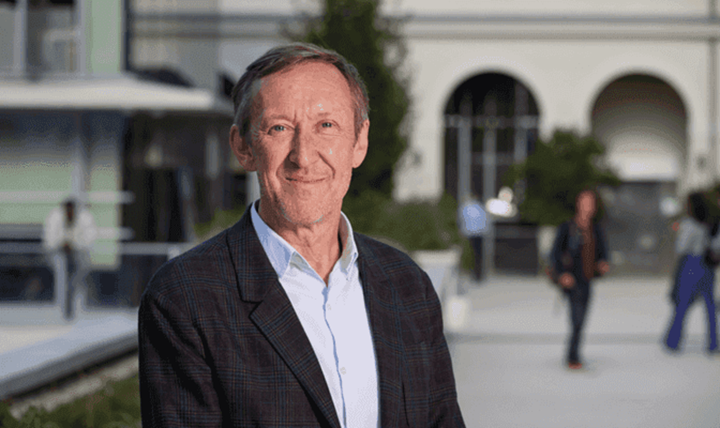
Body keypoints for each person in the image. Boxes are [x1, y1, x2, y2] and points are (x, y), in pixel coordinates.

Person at [138, 43, 465, 427]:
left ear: (359, 142)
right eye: (279, 128)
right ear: (243, 147)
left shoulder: (408, 287)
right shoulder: (184, 298)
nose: (303, 156)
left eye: (326, 126)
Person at [550, 188, 609, 370]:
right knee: (576, 318)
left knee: (582, 320)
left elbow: (603, 253)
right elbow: (555, 254)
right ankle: (573, 356)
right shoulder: (567, 228)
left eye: (591, 203)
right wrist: (562, 274)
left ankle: (574, 353)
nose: (588, 207)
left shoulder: (596, 229)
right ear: (578, 204)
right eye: (585, 202)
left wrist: (603, 264)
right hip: (572, 281)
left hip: (587, 279)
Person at [664, 192, 718, 354]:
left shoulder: (689, 224)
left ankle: (673, 340)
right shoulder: (710, 224)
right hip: (707, 266)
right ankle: (713, 343)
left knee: (682, 305)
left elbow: (681, 247)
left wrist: (678, 231)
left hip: (691, 264)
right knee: (709, 307)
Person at [43, 198, 97, 320]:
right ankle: (62, 308)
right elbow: (49, 241)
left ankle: (76, 305)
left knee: (77, 277)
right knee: (61, 276)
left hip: (79, 255)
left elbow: (89, 240)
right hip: (58, 254)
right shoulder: (55, 217)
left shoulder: (84, 218)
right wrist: (62, 243)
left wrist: (74, 244)